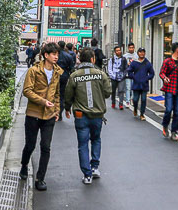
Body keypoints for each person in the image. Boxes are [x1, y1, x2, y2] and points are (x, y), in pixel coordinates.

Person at [64, 47, 112, 185]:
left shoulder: (74, 75)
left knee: (83, 144)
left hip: (80, 115)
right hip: (97, 114)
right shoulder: (100, 74)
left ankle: (87, 174)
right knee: (96, 139)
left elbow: (68, 95)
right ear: (93, 59)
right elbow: (108, 92)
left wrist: (67, 108)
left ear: (80, 59)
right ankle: (95, 167)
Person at [19, 42, 62, 191]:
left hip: (49, 116)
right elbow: (27, 91)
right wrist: (43, 101)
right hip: (33, 113)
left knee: (46, 147)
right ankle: (24, 165)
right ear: (46, 55)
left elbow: (56, 93)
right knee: (30, 145)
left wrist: (57, 110)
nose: (56, 57)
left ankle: (40, 178)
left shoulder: (57, 72)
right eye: (53, 54)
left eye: (57, 54)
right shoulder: (34, 71)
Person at [127, 47, 155, 119]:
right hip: (136, 84)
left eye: (143, 52)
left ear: (145, 53)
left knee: (143, 99)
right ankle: (135, 109)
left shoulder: (147, 63)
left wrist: (147, 78)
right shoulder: (134, 62)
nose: (142, 53)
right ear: (138, 53)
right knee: (135, 99)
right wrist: (133, 77)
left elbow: (152, 73)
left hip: (144, 85)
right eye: (140, 52)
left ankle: (142, 114)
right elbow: (129, 71)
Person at [56, 40, 76, 120]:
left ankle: (54, 112)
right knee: (62, 95)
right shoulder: (68, 56)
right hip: (64, 76)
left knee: (53, 93)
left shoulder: (55, 55)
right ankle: (59, 113)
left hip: (55, 75)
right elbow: (72, 68)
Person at [106, 45, 129, 110]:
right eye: (117, 51)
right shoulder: (112, 59)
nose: (119, 52)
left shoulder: (124, 59)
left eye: (119, 50)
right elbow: (109, 68)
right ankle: (113, 102)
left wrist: (124, 75)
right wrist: (112, 75)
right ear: (115, 52)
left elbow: (126, 68)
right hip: (114, 77)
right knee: (113, 90)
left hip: (121, 77)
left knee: (121, 90)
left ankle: (121, 104)